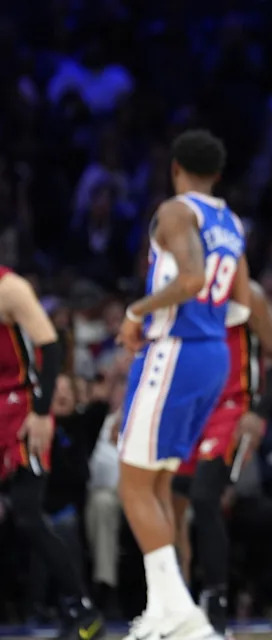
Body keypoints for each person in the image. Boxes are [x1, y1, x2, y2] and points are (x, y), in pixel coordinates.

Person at [115, 129, 250, 640]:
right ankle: (163, 609)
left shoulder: (175, 211)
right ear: (217, 174)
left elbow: (191, 280)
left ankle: (179, 612)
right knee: (157, 483)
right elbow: (240, 300)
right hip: (214, 353)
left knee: (132, 483)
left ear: (175, 168)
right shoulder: (232, 221)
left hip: (175, 350)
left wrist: (136, 312)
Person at [171, 281, 272, 636]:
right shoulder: (177, 288)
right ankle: (175, 603)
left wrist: (260, 411)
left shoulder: (246, 293)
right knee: (171, 504)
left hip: (232, 408)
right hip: (187, 408)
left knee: (204, 497)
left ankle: (216, 607)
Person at [0, 267, 105, 640]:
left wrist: (42, 412)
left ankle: (83, 608)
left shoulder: (9, 288)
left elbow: (51, 344)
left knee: (28, 514)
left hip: (21, 409)